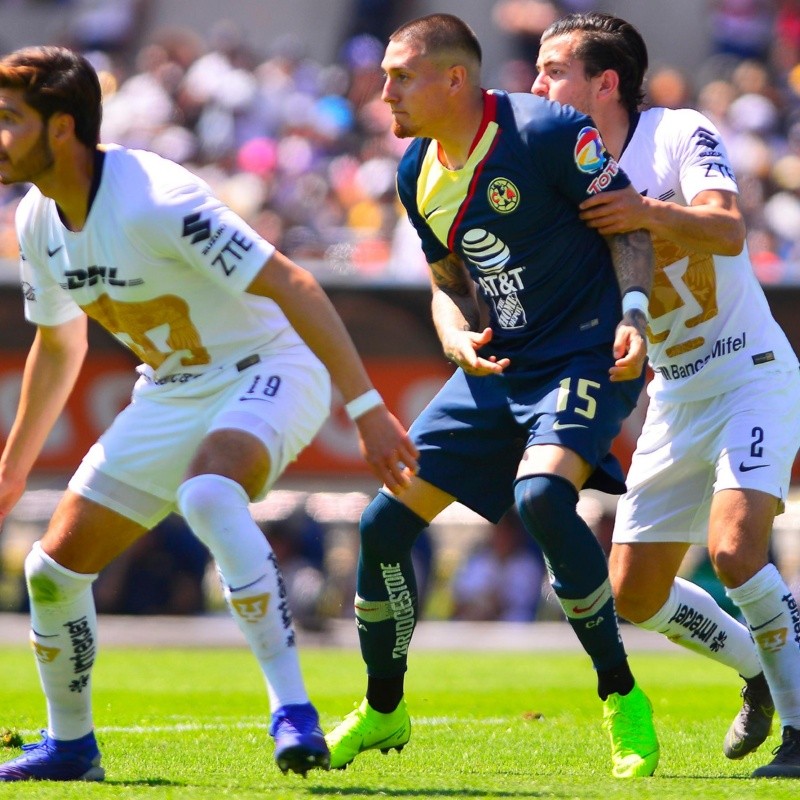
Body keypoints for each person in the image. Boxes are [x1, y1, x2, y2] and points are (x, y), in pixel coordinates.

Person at [0, 45, 417, 782]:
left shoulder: (155, 199)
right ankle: (72, 747)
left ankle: (293, 712)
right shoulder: (38, 220)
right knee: (51, 572)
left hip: (270, 366)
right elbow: (59, 347)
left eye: (7, 119)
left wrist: (368, 407)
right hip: (171, 388)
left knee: (208, 493)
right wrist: (12, 473)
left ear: (61, 128)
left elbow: (292, 282)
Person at [324, 13, 660, 779]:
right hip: (498, 368)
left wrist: (635, 315)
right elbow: (448, 287)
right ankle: (383, 708)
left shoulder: (547, 131)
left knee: (542, 498)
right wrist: (450, 332)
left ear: (455, 78)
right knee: (380, 527)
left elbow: (629, 228)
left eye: (400, 77)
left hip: (587, 351)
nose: (384, 94)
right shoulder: (416, 174)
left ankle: (621, 696)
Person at [532, 11, 800, 779]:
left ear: (604, 81)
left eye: (553, 69)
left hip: (750, 369)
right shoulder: (559, 168)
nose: (537, 83)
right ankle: (763, 670)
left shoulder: (677, 131)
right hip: (676, 391)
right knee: (636, 594)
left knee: (734, 550)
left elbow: (726, 229)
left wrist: (646, 210)